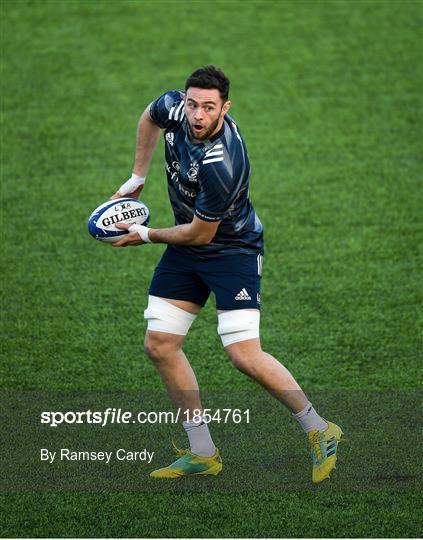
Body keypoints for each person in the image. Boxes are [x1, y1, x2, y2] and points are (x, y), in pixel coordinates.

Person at [111, 65, 343, 483]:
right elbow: (149, 116)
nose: (197, 115)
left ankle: (319, 429)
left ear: (225, 108)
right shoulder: (175, 109)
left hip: (229, 250)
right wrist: (137, 177)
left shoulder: (223, 161)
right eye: (192, 104)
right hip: (187, 246)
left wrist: (145, 234)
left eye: (208, 107)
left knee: (243, 354)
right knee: (161, 344)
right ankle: (202, 451)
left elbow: (201, 234)